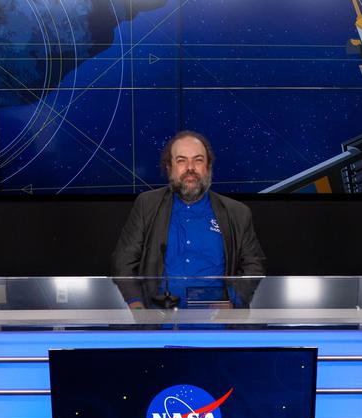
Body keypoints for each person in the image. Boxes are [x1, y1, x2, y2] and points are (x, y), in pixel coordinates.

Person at [111, 130, 265, 307]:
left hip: (216, 318)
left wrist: (231, 300)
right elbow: (123, 262)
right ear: (169, 168)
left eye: (198, 160)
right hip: (159, 316)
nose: (190, 168)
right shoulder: (147, 205)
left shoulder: (237, 213)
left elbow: (254, 266)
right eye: (181, 160)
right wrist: (136, 305)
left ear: (208, 167)